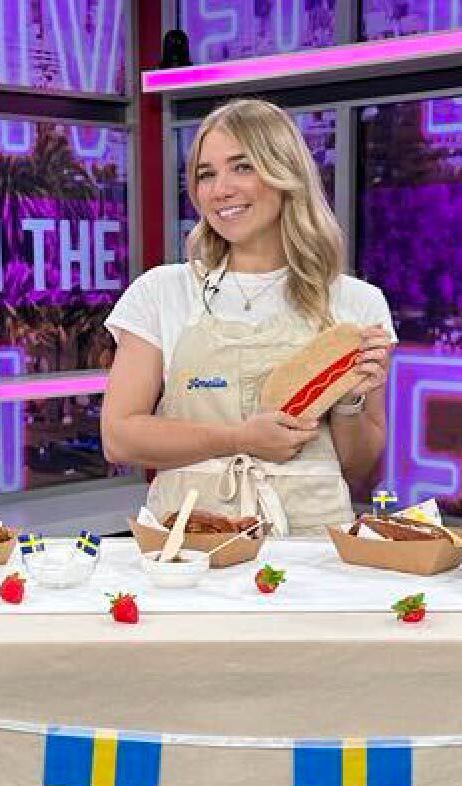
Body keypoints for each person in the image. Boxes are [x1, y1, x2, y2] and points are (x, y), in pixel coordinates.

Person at [102, 99, 395, 536]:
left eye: (242, 167)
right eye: (206, 173)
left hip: (310, 551)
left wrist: (351, 399)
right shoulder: (163, 292)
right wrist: (239, 439)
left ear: (285, 175)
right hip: (188, 546)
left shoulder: (357, 303)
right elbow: (119, 437)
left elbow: (356, 468)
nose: (220, 189)